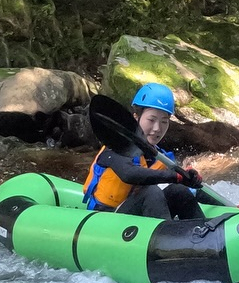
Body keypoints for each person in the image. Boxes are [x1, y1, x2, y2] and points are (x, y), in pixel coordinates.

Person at [83, 83, 205, 220]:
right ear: (136, 118)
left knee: (179, 191)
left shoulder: (160, 156)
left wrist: (191, 179)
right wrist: (174, 177)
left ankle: (202, 236)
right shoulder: (115, 148)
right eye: (151, 120)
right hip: (106, 218)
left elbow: (193, 191)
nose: (157, 128)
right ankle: (165, 239)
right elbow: (129, 174)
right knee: (151, 192)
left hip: (135, 215)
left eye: (164, 122)